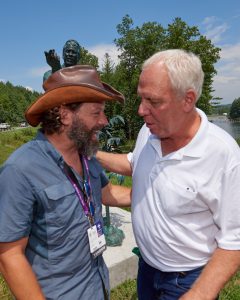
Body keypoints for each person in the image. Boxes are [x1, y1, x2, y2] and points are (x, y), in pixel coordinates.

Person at [96, 49, 240, 300]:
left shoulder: (223, 155)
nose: (141, 110)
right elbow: (135, 162)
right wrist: (91, 154)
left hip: (186, 281)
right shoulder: (149, 131)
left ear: (188, 99)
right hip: (147, 269)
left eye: (153, 101)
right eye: (141, 99)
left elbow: (234, 240)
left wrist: (200, 294)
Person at [0, 65, 131, 300]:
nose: (104, 121)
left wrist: (156, 192)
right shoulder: (20, 170)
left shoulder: (87, 155)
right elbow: (9, 255)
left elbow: (107, 192)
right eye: (96, 113)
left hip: (98, 287)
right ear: (65, 114)